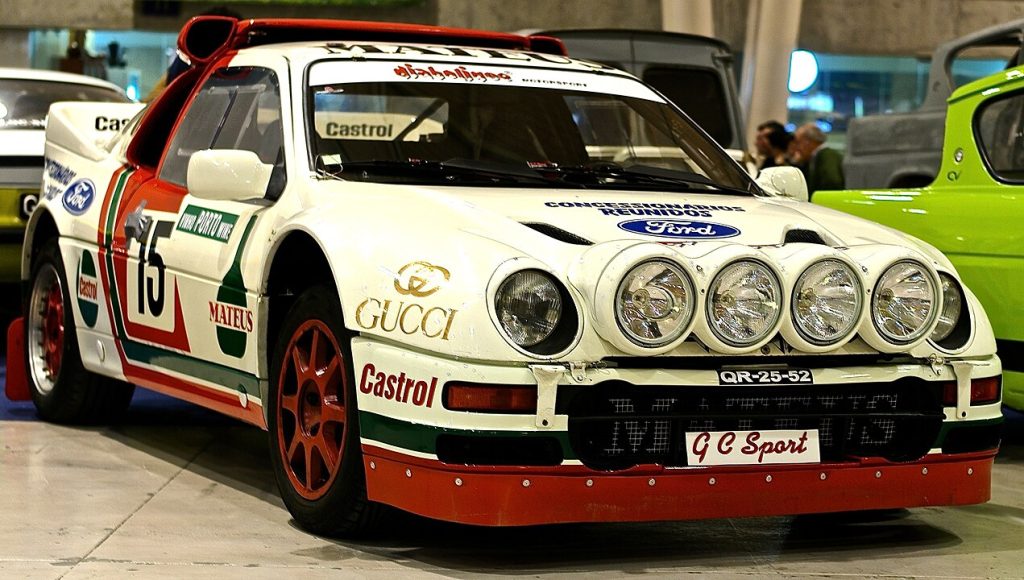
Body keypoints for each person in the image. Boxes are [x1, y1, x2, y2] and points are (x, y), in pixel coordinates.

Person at [791, 122, 844, 197]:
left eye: (798, 142)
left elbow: (832, 182)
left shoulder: (828, 156)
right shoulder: (818, 157)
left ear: (807, 142)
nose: (797, 148)